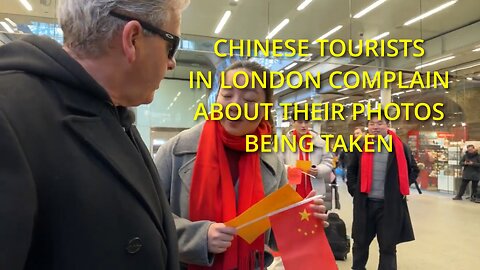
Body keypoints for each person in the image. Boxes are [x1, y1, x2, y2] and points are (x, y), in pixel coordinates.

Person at [0, 0, 189, 269]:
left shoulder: (113, 114)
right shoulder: (10, 115)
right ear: (132, 38)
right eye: (172, 46)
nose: (171, 63)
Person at [154, 61, 328, 269]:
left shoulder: (272, 164)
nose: (235, 105)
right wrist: (198, 237)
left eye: (249, 98)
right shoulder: (176, 151)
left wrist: (303, 218)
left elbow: (273, 236)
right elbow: (148, 217)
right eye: (227, 95)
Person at [347, 113, 418, 270]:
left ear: (387, 125)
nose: (376, 127)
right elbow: (351, 171)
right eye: (372, 124)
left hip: (389, 206)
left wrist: (400, 187)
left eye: (380, 123)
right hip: (365, 204)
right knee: (360, 243)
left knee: (388, 247)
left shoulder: (399, 147)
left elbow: (414, 170)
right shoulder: (361, 145)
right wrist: (355, 191)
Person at [278, 109, 334, 209]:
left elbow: (329, 162)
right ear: (292, 123)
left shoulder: (320, 142)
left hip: (314, 191)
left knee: (313, 222)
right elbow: (278, 164)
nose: (303, 125)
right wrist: (289, 169)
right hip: (291, 192)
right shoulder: (283, 143)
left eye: (306, 122)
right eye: (300, 122)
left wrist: (318, 170)